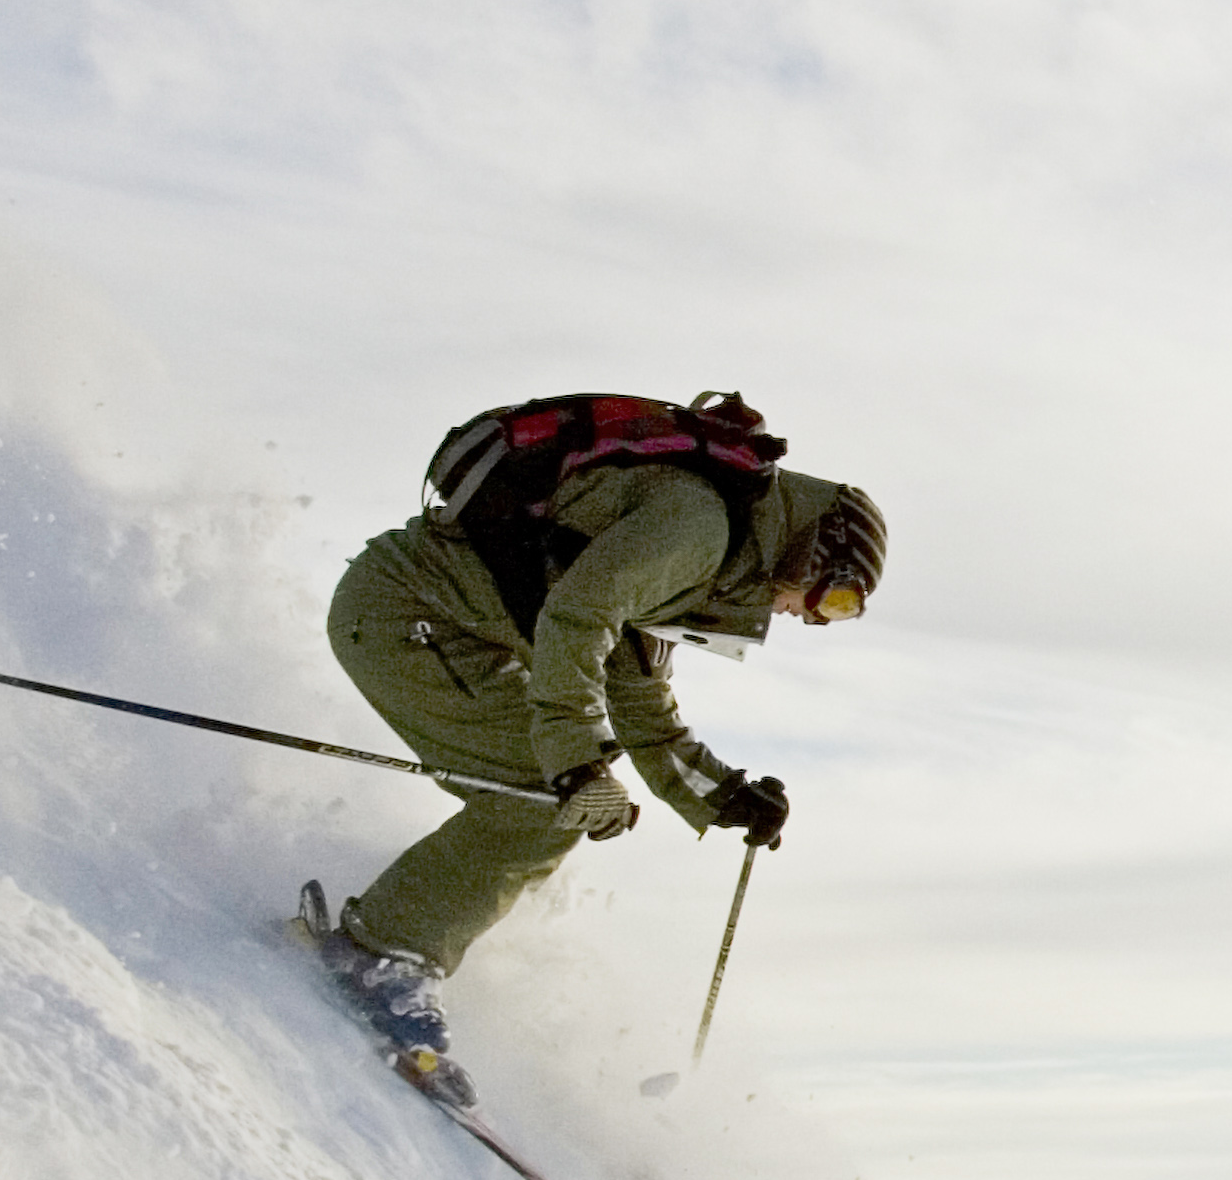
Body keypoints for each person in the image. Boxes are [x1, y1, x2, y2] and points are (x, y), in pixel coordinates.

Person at [304, 422, 885, 1091]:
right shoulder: (696, 530)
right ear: (811, 551)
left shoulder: (711, 557)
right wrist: (578, 765)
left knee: (550, 796)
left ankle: (394, 941)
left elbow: (636, 695)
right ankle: (380, 955)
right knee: (544, 796)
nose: (808, 618)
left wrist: (720, 792)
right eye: (830, 600)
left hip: (443, 627)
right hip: (403, 615)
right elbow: (579, 618)